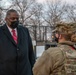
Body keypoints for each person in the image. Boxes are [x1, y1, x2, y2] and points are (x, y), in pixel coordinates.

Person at [0, 9, 35, 75]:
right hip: (6, 71)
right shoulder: (1, 32)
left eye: (17, 18)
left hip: (25, 71)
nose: (15, 20)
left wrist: (33, 68)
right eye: (13, 19)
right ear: (6, 19)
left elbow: (30, 52)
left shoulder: (25, 31)